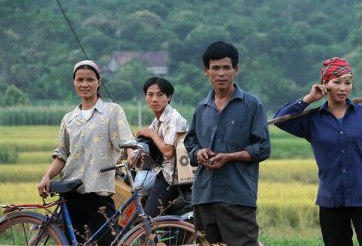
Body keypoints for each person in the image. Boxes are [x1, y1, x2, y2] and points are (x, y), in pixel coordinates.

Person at [273, 57, 362, 246]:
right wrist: (309, 99)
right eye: (337, 82)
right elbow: (279, 119)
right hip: (331, 200)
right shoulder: (313, 120)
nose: (343, 88)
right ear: (325, 85)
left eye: (348, 83)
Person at [38, 60, 134, 245]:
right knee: (75, 241)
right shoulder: (69, 119)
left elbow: (126, 140)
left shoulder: (112, 111)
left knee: (112, 241)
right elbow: (62, 154)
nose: (84, 84)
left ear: (99, 81)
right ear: (74, 82)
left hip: (99, 190)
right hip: (71, 190)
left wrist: (131, 154)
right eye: (79, 79)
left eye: (90, 79)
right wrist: (47, 176)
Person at [184, 40, 271, 245]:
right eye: (215, 68)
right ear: (206, 71)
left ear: (236, 69)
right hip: (203, 196)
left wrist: (229, 157)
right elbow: (190, 144)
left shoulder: (251, 105)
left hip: (237, 196)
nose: (221, 73)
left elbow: (263, 148)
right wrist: (199, 153)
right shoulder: (202, 107)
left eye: (226, 68)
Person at [129, 77, 189, 217]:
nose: (154, 99)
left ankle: (150, 237)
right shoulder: (158, 121)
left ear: (169, 97)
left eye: (160, 95)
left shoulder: (173, 118)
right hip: (165, 173)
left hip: (174, 178)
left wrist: (151, 133)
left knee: (148, 218)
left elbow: (168, 152)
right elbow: (143, 139)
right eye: (150, 95)